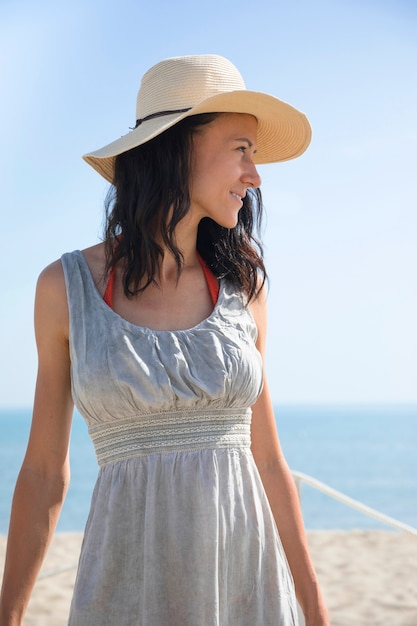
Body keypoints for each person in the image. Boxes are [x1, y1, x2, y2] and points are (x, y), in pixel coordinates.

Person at [0, 54, 329, 625]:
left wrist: (317, 612)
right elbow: (45, 472)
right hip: (126, 587)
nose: (255, 176)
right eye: (241, 149)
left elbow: (269, 461)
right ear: (177, 147)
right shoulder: (66, 287)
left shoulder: (242, 286)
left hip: (245, 589)